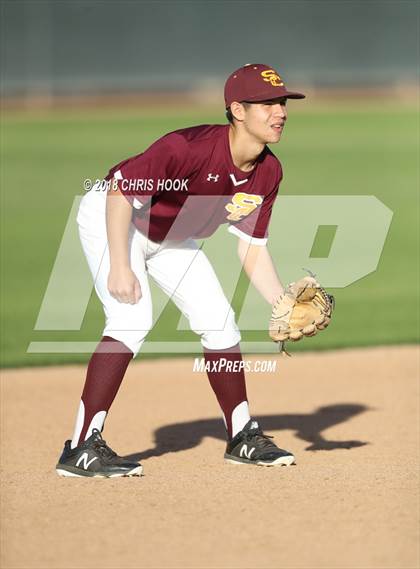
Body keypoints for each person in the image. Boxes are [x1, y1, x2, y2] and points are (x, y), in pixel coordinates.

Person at [56, 63, 305, 478]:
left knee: (221, 323)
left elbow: (252, 247)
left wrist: (281, 304)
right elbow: (120, 190)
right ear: (237, 110)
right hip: (114, 217)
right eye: (267, 104)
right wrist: (120, 264)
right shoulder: (187, 148)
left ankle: (242, 436)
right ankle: (80, 446)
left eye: (281, 103)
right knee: (131, 317)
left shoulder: (268, 172)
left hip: (172, 237)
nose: (279, 112)